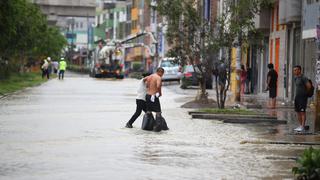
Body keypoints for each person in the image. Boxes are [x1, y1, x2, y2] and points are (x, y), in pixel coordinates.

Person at [293, 65, 312, 132]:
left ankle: (303, 126)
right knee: (298, 111)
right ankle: (300, 126)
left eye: (296, 70)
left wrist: (305, 93)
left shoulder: (303, 77)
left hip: (303, 97)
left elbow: (309, 86)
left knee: (302, 112)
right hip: (297, 97)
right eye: (294, 70)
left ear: (299, 70)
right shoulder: (296, 78)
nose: (294, 71)